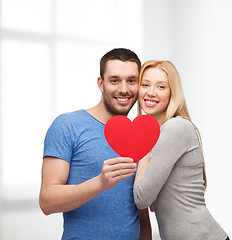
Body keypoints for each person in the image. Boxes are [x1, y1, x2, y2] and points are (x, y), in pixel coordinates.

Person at [39, 48, 151, 240]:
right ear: (101, 83)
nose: (124, 89)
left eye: (131, 80)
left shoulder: (141, 137)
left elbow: (141, 212)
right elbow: (47, 201)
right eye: (115, 80)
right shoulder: (68, 125)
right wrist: (99, 183)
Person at [133, 60, 229, 240]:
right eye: (145, 85)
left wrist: (143, 147)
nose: (151, 92)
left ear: (172, 92)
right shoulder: (163, 133)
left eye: (161, 86)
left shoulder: (175, 128)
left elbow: (142, 198)